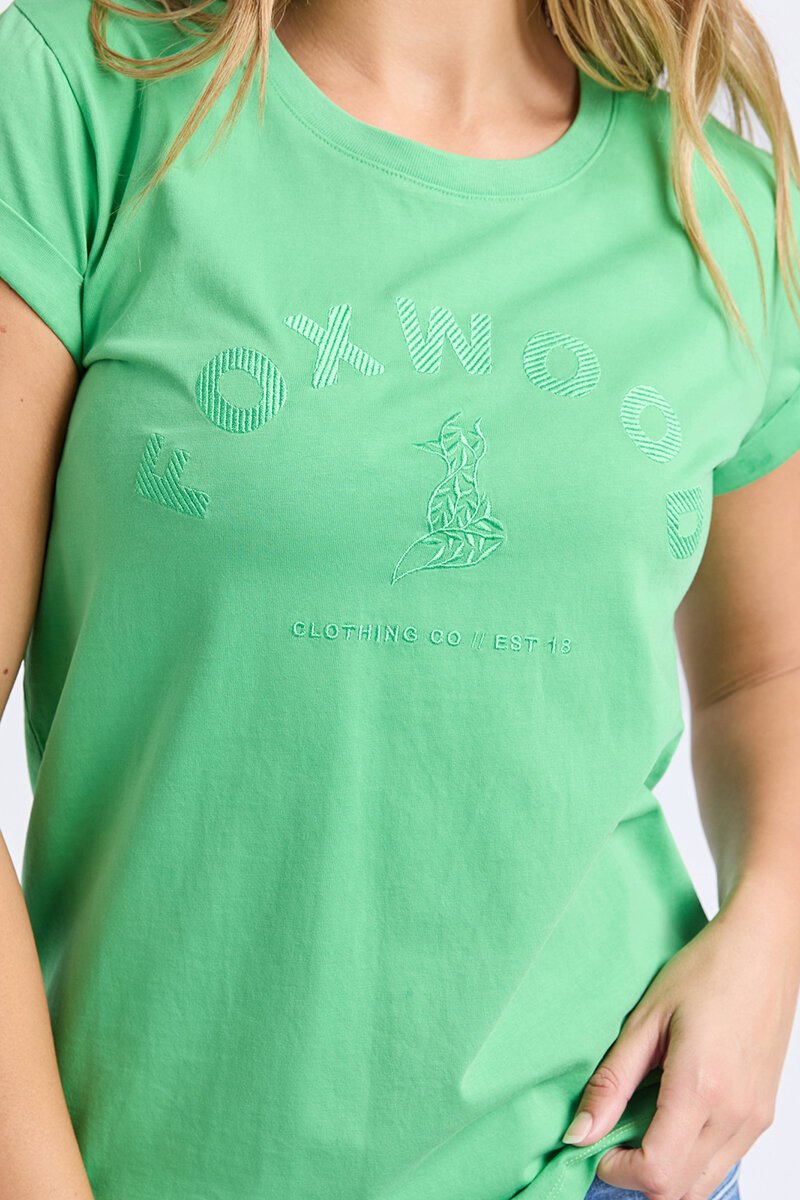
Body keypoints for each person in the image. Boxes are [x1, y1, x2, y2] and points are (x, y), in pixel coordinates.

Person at [0, 0, 799, 1197]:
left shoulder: (717, 197)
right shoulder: (82, 96)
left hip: (599, 1158)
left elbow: (763, 667)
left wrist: (771, 931)